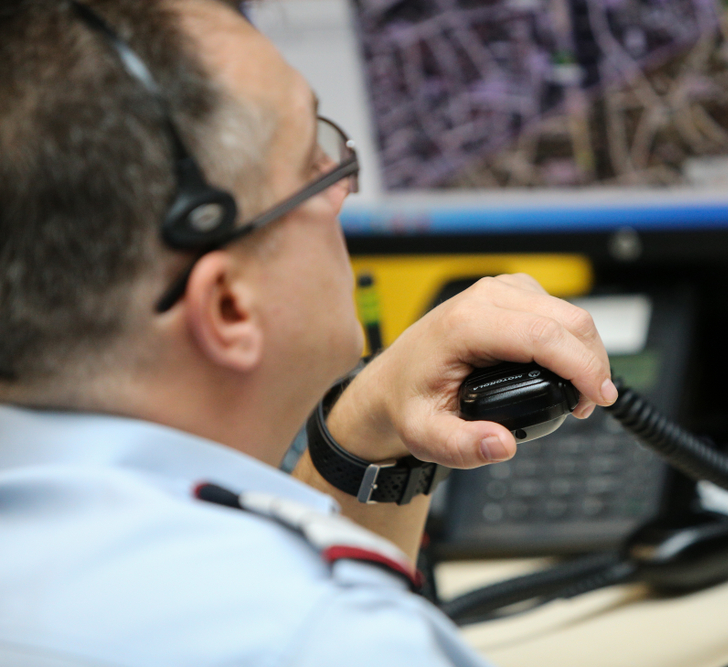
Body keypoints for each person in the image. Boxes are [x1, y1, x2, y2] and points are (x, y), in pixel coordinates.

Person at [0, 1, 617, 665]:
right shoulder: (323, 636)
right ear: (230, 306)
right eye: (310, 166)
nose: (342, 191)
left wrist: (364, 437)